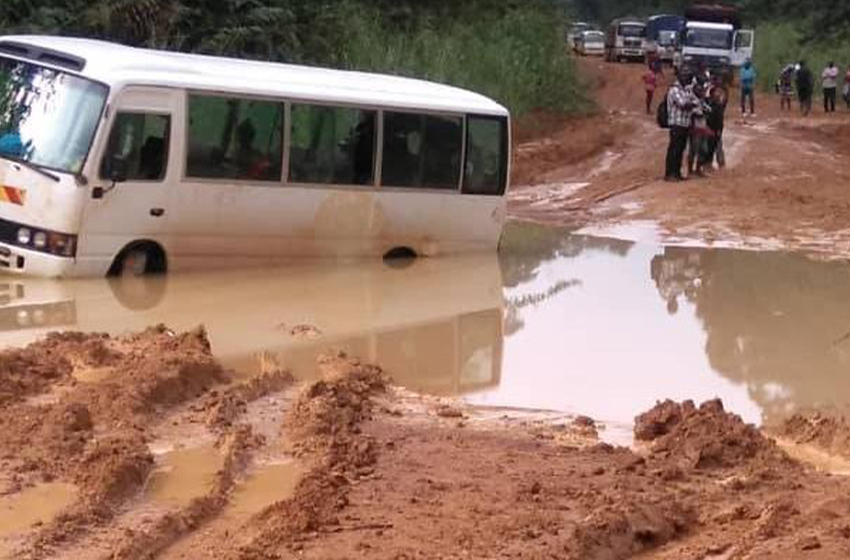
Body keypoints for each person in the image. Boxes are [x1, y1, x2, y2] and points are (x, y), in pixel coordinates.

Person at [665, 69, 696, 182]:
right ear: (680, 77)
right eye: (685, 76)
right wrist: (691, 104)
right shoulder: (674, 90)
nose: (687, 78)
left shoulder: (686, 90)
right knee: (674, 149)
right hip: (676, 123)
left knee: (680, 149)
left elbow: (695, 102)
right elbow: (682, 104)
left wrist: (691, 104)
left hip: (684, 123)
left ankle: (676, 173)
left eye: (688, 76)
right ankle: (669, 173)